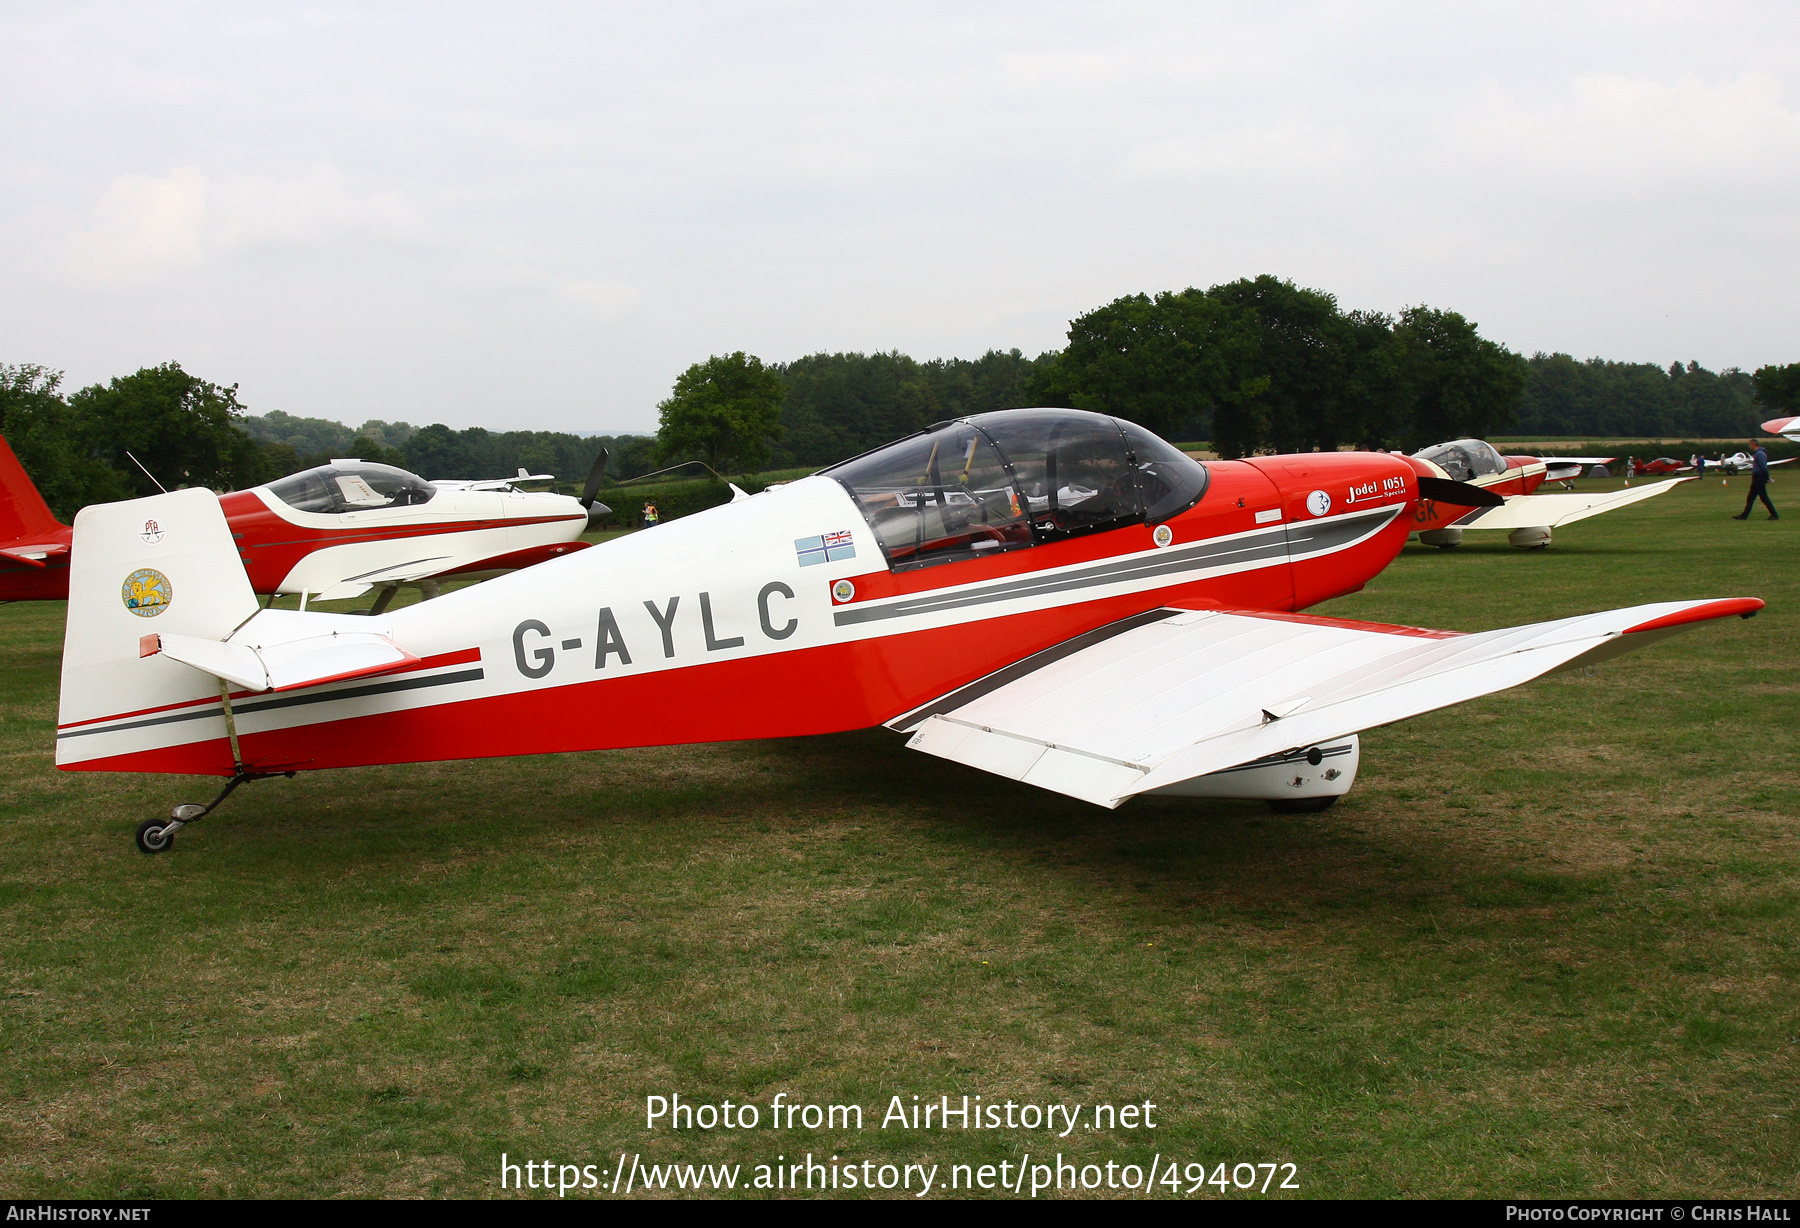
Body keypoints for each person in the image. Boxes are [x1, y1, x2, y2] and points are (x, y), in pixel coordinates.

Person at [1732, 442, 1778, 520]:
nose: (1749, 446)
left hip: (1759, 478)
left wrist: (1767, 477)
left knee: (1763, 497)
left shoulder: (1760, 454)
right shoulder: (1758, 453)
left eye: (1750, 444)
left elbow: (1763, 466)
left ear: (1754, 444)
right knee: (1751, 497)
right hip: (1757, 477)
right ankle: (1744, 515)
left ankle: (1774, 515)